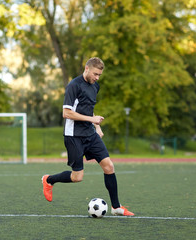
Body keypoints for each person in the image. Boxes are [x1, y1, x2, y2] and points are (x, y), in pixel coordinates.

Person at [41, 57, 134, 216]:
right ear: (86, 69)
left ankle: (116, 207)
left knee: (109, 167)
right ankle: (49, 180)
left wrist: (96, 126)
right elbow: (66, 113)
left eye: (99, 75)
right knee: (77, 177)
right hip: (74, 136)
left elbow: (88, 108)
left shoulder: (95, 86)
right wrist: (92, 120)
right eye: (95, 74)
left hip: (90, 134)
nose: (97, 78)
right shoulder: (73, 85)